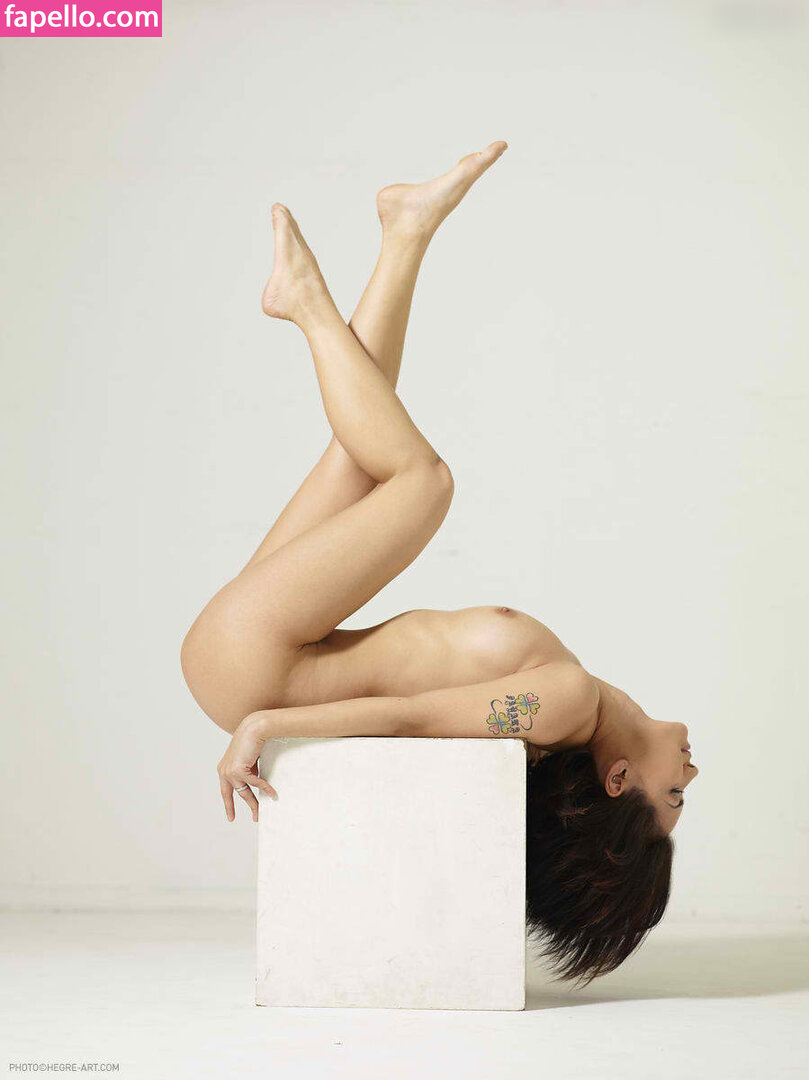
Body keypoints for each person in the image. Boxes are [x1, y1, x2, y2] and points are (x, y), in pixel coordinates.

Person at [180, 142, 699, 983]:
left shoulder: (564, 703)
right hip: (265, 659)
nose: (689, 771)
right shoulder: (552, 718)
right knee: (360, 452)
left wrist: (266, 724)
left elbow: (413, 717)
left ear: (616, 780)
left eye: (672, 793)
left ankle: (306, 304)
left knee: (422, 482)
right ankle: (404, 231)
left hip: (260, 670)